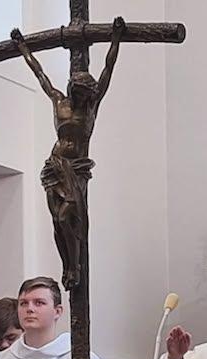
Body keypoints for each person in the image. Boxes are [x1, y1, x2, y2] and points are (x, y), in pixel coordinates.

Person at [11, 17, 125, 290]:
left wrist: (116, 38)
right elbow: (40, 74)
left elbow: (108, 68)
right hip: (55, 166)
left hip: (77, 168)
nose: (83, 96)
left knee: (67, 216)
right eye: (80, 91)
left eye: (86, 92)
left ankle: (74, 266)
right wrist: (22, 46)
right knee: (57, 220)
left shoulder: (91, 107)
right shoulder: (59, 102)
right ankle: (68, 265)